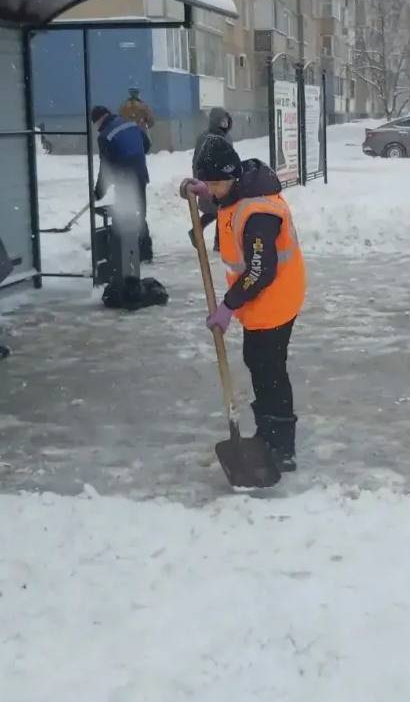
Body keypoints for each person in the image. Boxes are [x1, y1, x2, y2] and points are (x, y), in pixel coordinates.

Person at [180, 135, 306, 472]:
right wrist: (208, 196)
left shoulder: (259, 214)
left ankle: (281, 446)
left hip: (274, 297)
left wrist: (228, 305)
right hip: (260, 298)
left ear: (231, 177)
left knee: (270, 370)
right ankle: (269, 432)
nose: (213, 190)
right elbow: (227, 199)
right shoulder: (240, 188)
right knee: (259, 362)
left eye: (214, 184)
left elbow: (260, 270)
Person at [91, 105, 153, 262]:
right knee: (138, 212)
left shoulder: (105, 136)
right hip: (139, 174)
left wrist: (98, 192)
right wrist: (135, 153)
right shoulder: (130, 123)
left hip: (125, 179)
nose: (97, 127)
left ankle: (127, 252)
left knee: (126, 214)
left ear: (99, 120)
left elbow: (105, 167)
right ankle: (145, 251)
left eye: (96, 124)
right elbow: (146, 144)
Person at [191, 108, 234, 248]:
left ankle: (215, 240)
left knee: (220, 211)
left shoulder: (227, 137)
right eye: (222, 121)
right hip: (209, 180)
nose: (225, 123)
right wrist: (198, 178)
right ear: (215, 121)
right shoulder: (205, 137)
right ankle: (216, 241)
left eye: (226, 121)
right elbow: (197, 160)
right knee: (217, 210)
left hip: (224, 179)